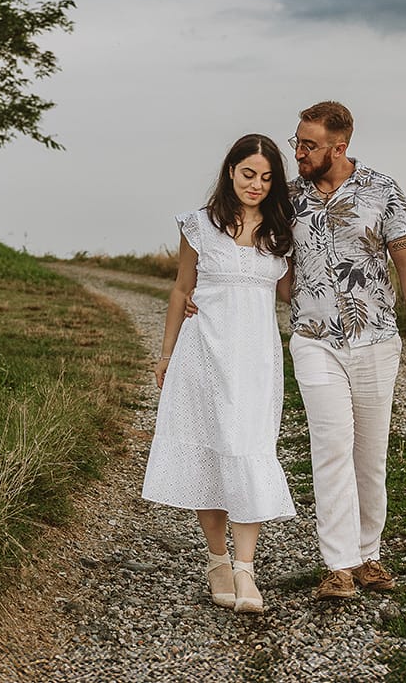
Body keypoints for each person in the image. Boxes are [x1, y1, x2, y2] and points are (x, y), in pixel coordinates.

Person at [140, 133, 297, 615]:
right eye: (248, 173)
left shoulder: (280, 231)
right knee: (211, 452)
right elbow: (180, 289)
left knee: (249, 450)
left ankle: (247, 569)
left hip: (256, 360)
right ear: (230, 171)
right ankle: (218, 561)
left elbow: (292, 294)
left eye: (267, 178)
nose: (256, 184)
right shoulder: (199, 226)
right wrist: (166, 354)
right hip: (203, 354)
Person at [286, 100, 406, 600]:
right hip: (313, 340)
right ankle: (338, 566)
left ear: (338, 147)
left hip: (375, 340)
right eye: (297, 142)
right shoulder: (288, 198)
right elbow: (264, 258)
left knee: (368, 456)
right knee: (330, 448)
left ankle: (369, 555)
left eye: (309, 145)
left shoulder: (382, 190)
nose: (299, 153)